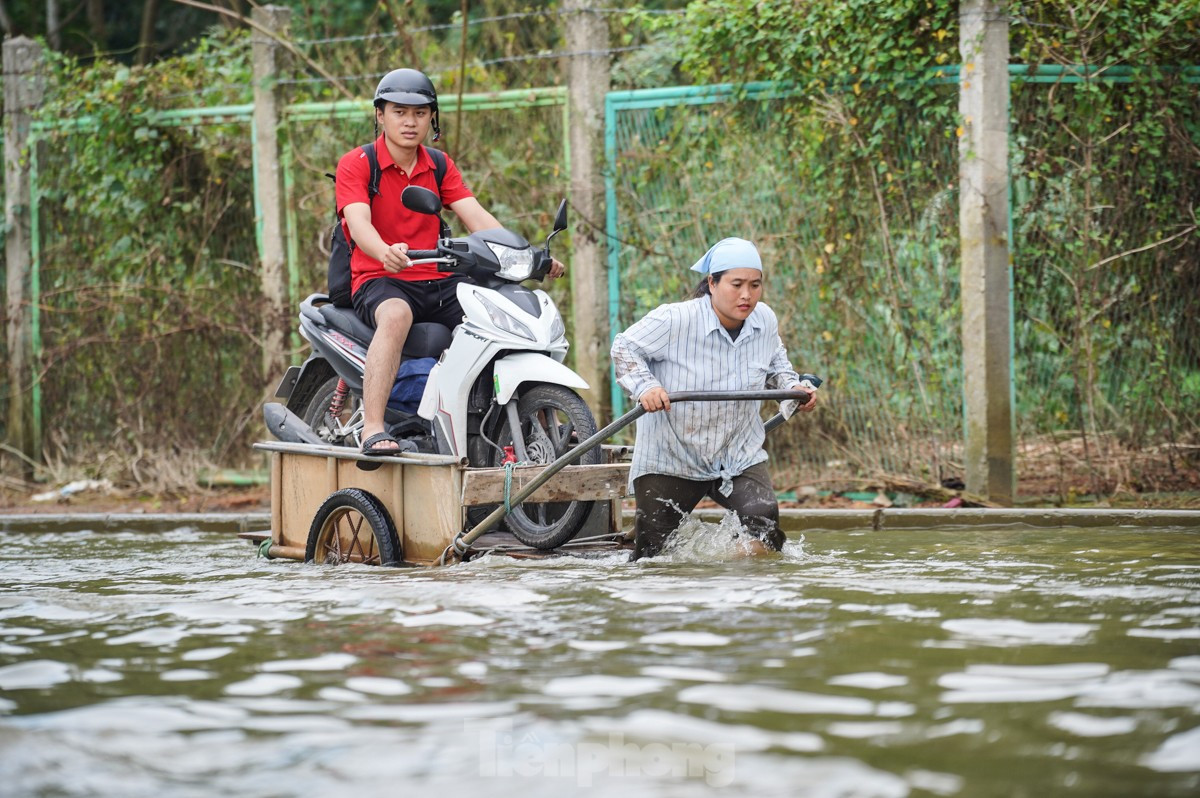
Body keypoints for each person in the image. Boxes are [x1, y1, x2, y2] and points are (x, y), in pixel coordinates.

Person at [336, 68, 565, 455]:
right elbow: (358, 223)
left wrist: (528, 256)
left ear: (432, 118)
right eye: (399, 112)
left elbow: (477, 218)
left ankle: (539, 422)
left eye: (420, 113)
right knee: (395, 316)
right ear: (380, 115)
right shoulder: (358, 163)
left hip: (438, 277)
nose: (410, 122)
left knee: (503, 314)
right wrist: (383, 251)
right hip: (381, 276)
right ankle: (373, 428)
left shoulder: (438, 165)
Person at [610, 237, 818, 560]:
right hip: (672, 454)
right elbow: (624, 347)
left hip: (737, 454)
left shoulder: (764, 322)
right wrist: (646, 387)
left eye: (755, 285)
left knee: (766, 530)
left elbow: (778, 367)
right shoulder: (675, 320)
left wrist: (796, 390)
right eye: (736, 284)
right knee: (652, 557)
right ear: (712, 282)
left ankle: (731, 587)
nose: (746, 295)